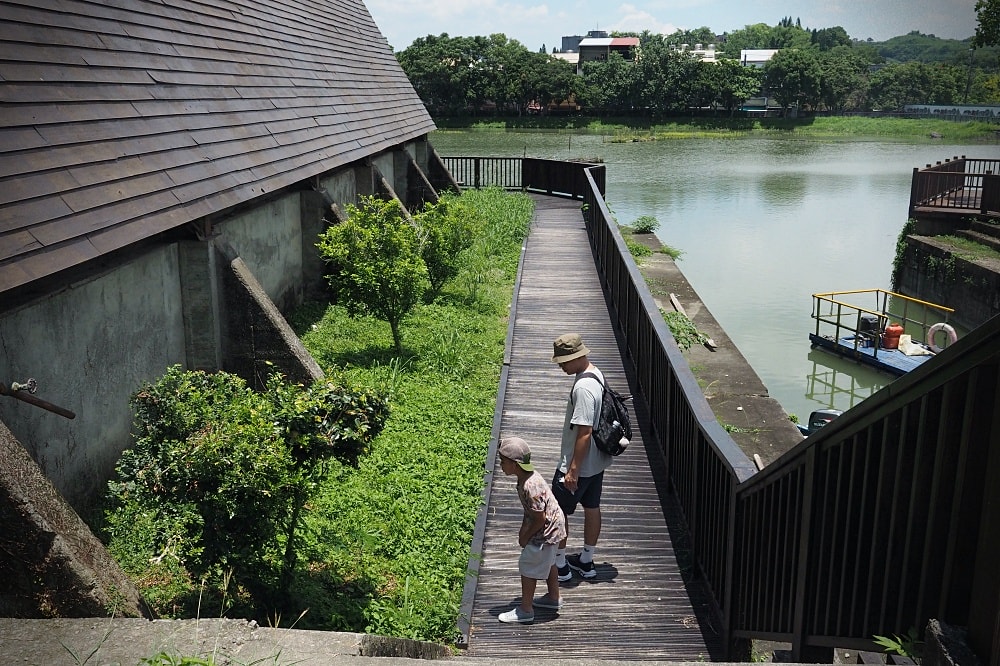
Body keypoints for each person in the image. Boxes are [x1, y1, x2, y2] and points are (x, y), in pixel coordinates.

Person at [550, 332, 613, 581]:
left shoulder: (583, 388)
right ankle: (586, 561)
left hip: (580, 465)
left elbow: (584, 433)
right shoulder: (595, 373)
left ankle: (561, 567)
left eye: (563, 362)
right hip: (596, 462)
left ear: (576, 358)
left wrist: (572, 470)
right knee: (592, 507)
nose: (562, 367)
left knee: (557, 512)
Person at [496, 436, 567, 624]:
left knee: (528, 566)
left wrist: (525, 537)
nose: (501, 465)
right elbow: (530, 512)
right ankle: (553, 598)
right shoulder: (527, 477)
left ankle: (526, 610)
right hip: (555, 527)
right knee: (550, 561)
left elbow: (539, 518)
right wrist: (522, 530)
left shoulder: (529, 486)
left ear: (515, 464)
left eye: (503, 462)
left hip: (546, 530)